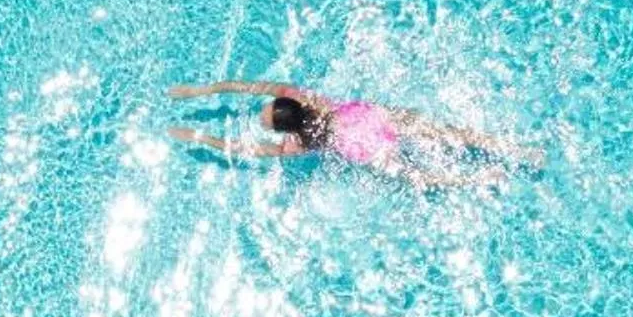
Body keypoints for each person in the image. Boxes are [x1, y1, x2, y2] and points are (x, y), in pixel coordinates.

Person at [167, 80, 541, 191]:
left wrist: (201, 137)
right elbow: (246, 86)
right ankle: (514, 149)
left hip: (365, 148)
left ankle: (480, 178)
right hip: (374, 118)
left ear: (284, 126)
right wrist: (202, 91)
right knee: (448, 133)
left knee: (423, 179)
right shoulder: (306, 99)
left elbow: (245, 148)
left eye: (265, 117)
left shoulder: (298, 143)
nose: (262, 113)